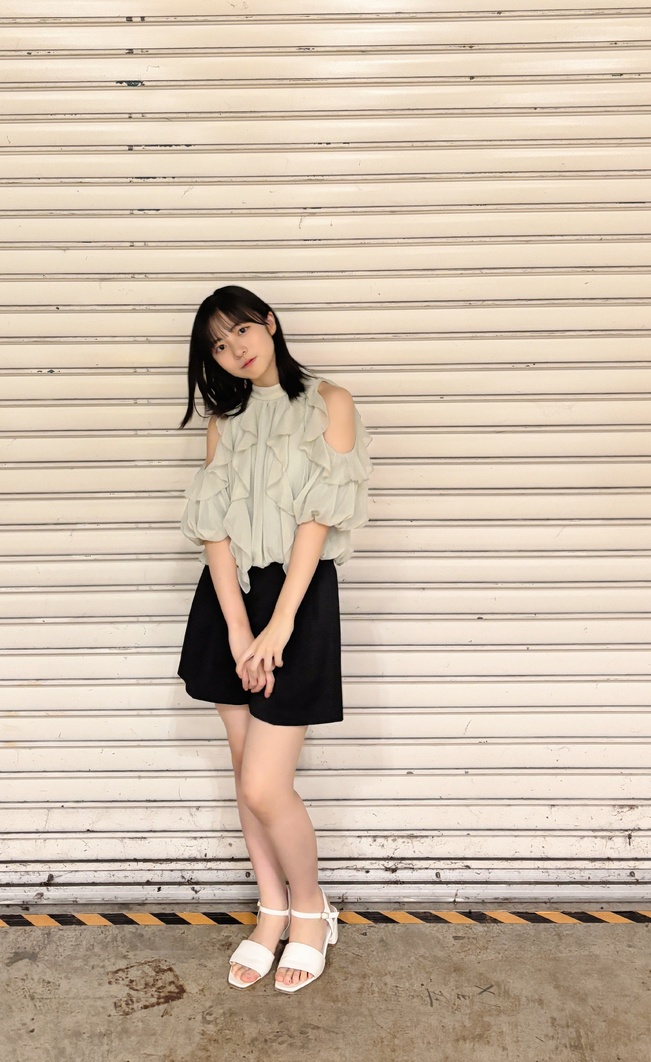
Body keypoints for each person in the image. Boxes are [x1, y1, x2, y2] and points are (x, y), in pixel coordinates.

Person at [176, 285, 373, 992]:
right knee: (244, 774)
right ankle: (271, 911)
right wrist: (238, 629)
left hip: (298, 599)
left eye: (240, 331)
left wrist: (278, 625)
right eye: (218, 346)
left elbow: (318, 522)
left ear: (270, 322)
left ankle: (313, 912)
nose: (235, 351)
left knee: (266, 784)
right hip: (228, 601)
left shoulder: (330, 402)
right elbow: (214, 529)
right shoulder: (224, 421)